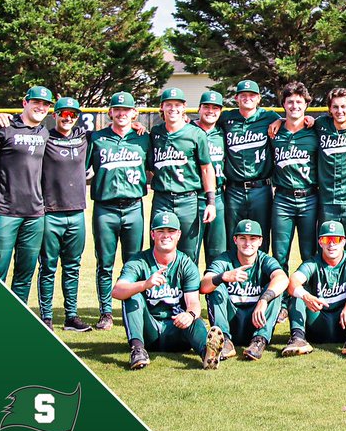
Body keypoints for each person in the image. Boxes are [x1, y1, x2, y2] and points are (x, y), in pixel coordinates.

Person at [110, 211, 226, 371]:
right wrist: (144, 284)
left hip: (177, 329)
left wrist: (189, 315)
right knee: (132, 295)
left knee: (195, 320)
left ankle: (207, 354)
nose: (166, 236)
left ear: (178, 234)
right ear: (152, 234)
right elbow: (117, 291)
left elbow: (194, 304)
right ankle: (137, 350)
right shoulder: (139, 261)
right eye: (160, 231)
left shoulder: (186, 264)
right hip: (149, 331)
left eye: (171, 231)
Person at [0, 85, 51, 302]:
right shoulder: (4, 126)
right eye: (36, 102)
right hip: (5, 211)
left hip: (35, 213)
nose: (41, 107)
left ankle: (18, 322)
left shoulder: (44, 132)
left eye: (45, 104)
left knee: (24, 274)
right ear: (25, 103)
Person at [86, 91, 150, 330]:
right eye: (117, 109)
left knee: (132, 263)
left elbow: (154, 166)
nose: (122, 113)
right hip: (105, 207)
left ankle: (131, 309)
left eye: (127, 110)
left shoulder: (143, 138)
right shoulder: (97, 138)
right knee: (105, 262)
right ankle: (105, 312)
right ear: (111, 112)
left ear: (134, 112)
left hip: (134, 207)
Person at [38, 97, 92, 331]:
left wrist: (136, 124)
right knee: (48, 266)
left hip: (77, 211)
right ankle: (46, 316)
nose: (67, 118)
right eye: (63, 114)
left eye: (72, 115)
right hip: (51, 212)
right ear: (55, 115)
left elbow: (113, 130)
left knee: (73, 266)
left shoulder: (84, 137)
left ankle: (71, 316)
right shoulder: (44, 137)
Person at [201, 220, 289, 361]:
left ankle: (258, 342)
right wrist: (224, 276)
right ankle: (224, 341)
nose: (248, 243)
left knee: (273, 291)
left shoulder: (264, 260)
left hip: (256, 322)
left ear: (260, 241)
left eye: (253, 238)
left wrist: (263, 300)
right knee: (215, 287)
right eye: (243, 238)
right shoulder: (225, 259)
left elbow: (283, 278)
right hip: (231, 321)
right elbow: (204, 286)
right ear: (235, 240)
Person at [281, 220, 346, 358]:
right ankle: (298, 338)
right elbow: (293, 281)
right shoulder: (313, 262)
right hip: (318, 320)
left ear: (343, 242)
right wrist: (306, 296)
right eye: (326, 239)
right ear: (320, 242)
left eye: (336, 239)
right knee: (297, 293)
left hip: (344, 322)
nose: (331, 244)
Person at [147, 87, 216, 263]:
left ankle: (187, 290)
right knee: (158, 249)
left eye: (177, 105)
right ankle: (160, 290)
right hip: (162, 198)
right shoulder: (155, 133)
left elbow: (207, 168)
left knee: (188, 252)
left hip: (188, 200)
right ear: (161, 107)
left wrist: (211, 202)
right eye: (168, 104)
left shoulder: (195, 133)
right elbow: (150, 166)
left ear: (184, 107)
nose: (173, 109)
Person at [215, 80, 279, 252]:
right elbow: (204, 123)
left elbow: (292, 122)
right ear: (236, 98)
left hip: (261, 188)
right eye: (243, 95)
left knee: (261, 237)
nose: (247, 98)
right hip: (233, 189)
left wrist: (282, 121)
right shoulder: (227, 118)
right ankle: (233, 277)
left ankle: (260, 277)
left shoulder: (270, 117)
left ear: (258, 98)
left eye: (252, 95)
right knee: (233, 237)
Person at [270, 82, 319, 271]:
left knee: (309, 253)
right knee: (280, 254)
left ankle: (305, 296)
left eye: (299, 102)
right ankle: (280, 298)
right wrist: (279, 121)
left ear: (306, 104)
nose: (294, 106)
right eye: (290, 102)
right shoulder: (274, 131)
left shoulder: (314, 130)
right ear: (283, 104)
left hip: (309, 197)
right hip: (283, 198)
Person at [313, 88, 346, 255]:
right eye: (335, 107)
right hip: (328, 201)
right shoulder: (321, 125)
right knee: (326, 251)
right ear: (329, 109)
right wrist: (279, 121)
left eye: (344, 106)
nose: (340, 111)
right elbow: (296, 122)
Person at [195, 91, 228, 265]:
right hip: (192, 197)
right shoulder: (189, 131)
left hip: (218, 196)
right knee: (188, 253)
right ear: (199, 109)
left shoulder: (223, 134)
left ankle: (214, 292)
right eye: (206, 106)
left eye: (215, 108)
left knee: (217, 254)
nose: (210, 111)